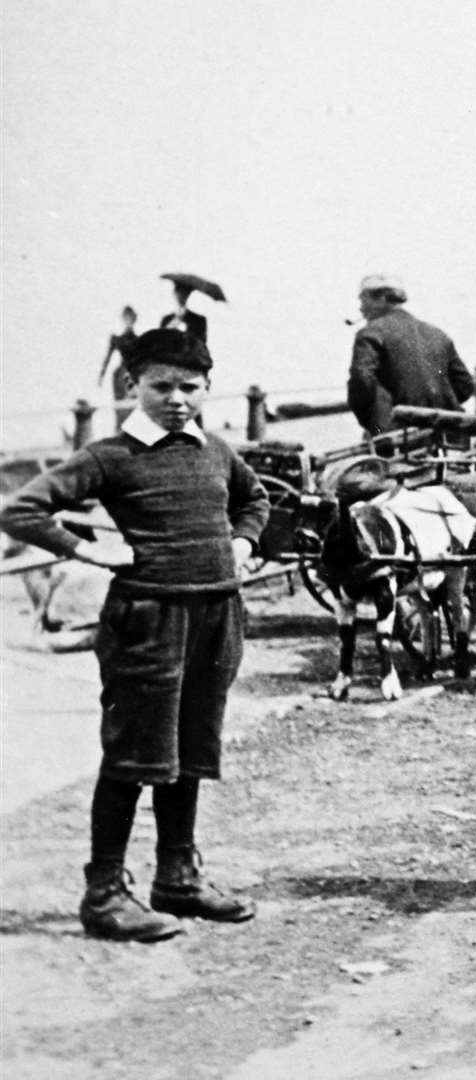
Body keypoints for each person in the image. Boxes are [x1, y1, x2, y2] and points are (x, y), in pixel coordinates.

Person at [2, 328, 269, 942]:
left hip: (216, 616)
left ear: (208, 388)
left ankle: (177, 878)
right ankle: (104, 894)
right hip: (147, 621)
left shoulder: (217, 451)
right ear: (133, 387)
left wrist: (243, 539)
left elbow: (254, 502)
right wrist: (91, 550)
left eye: (191, 387)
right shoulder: (110, 455)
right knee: (133, 753)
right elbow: (19, 509)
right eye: (162, 386)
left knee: (190, 748)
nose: (177, 399)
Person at [347, 274, 474, 438]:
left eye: (364, 301)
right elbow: (465, 385)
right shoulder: (437, 334)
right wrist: (439, 407)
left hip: (399, 437)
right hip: (446, 433)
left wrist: (373, 421)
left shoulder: (370, 333)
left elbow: (361, 380)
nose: (361, 309)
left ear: (382, 299)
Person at [98, 305, 140, 400]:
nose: (128, 321)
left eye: (130, 318)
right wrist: (101, 376)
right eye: (126, 318)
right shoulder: (117, 339)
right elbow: (107, 359)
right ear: (123, 319)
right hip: (121, 373)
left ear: (134, 320)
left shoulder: (138, 340)